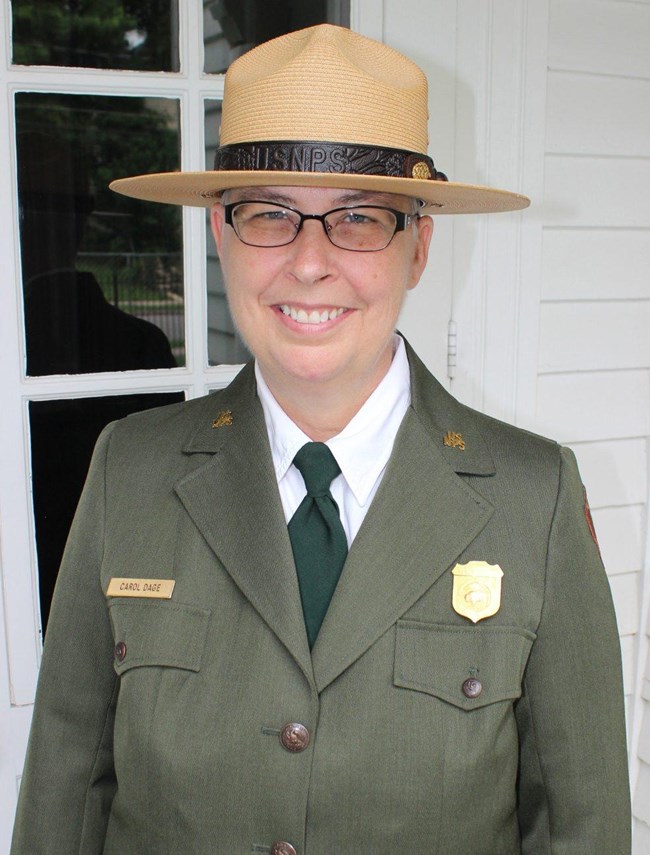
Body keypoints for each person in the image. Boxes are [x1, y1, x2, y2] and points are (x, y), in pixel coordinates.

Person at [11, 24, 630, 855]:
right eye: (270, 215)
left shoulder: (533, 496)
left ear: (419, 246)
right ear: (221, 236)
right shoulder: (131, 467)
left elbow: (580, 827)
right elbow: (64, 797)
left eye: (359, 219)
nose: (309, 263)